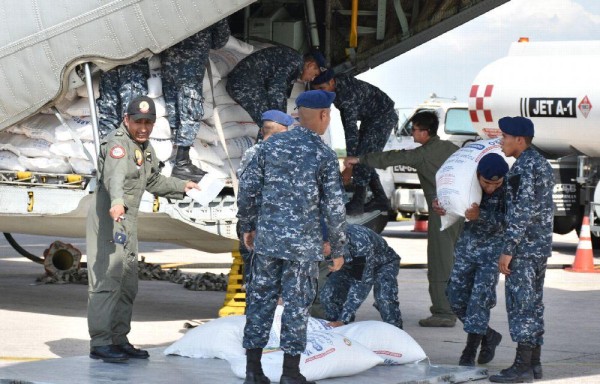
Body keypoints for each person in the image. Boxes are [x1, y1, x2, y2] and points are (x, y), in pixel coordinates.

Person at [237, 90, 347, 384]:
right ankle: (290, 372)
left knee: (260, 302)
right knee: (297, 306)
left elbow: (247, 190)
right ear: (324, 115)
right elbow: (334, 207)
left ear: (299, 115)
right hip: (302, 247)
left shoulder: (268, 148)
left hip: (268, 242)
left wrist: (248, 225)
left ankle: (253, 371)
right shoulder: (322, 154)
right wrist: (337, 247)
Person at [86, 96, 200, 363]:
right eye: (138, 121)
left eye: (148, 122)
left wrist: (182, 186)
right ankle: (101, 342)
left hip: (127, 220)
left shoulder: (144, 148)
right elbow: (115, 178)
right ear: (127, 120)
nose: (143, 127)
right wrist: (116, 203)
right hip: (110, 218)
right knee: (107, 280)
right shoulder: (118, 145)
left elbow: (153, 179)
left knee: (127, 283)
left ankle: (118, 338)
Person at [344, 110, 461, 327]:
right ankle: (458, 305)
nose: (412, 133)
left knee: (440, 260)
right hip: (462, 210)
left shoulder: (424, 153)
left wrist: (360, 159)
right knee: (456, 260)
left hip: (442, 213)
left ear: (425, 132)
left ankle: (443, 312)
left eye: (415, 129)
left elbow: (392, 157)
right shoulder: (452, 149)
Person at [489, 117, 553, 383]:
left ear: (519, 139)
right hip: (538, 248)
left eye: (505, 136)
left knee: (521, 307)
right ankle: (534, 364)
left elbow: (522, 211)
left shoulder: (524, 167)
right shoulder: (541, 163)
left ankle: (522, 367)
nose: (501, 141)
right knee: (534, 306)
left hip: (524, 250)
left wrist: (508, 249)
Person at [436, 153, 508, 366]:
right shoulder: (466, 181)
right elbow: (451, 200)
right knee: (454, 296)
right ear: (478, 176)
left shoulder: (511, 188)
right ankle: (488, 335)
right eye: (487, 183)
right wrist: (441, 205)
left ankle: (470, 349)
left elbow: (511, 221)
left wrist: (482, 215)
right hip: (467, 249)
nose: (491, 188)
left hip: (492, 253)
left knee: (479, 299)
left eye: (496, 183)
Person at [311, 69, 397, 215]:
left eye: (322, 88)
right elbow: (347, 126)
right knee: (362, 155)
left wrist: (349, 166)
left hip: (383, 116)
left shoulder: (346, 94)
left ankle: (358, 202)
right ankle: (381, 199)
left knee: (362, 156)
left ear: (332, 82)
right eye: (317, 90)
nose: (321, 93)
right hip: (370, 118)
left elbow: (351, 131)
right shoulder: (335, 89)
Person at [161, 19, 230, 181]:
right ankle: (182, 163)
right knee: (191, 112)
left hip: (169, 63)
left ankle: (174, 157)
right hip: (190, 68)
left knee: (174, 110)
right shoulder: (207, 7)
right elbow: (221, 39)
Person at [236, 110, 295, 285]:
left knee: (257, 282)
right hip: (287, 227)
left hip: (259, 227)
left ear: (262, 131)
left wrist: (247, 226)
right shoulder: (295, 156)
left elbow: (246, 193)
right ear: (285, 132)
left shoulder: (253, 153)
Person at [226, 46, 326, 137]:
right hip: (244, 82)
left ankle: (264, 153)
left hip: (248, 83)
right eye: (315, 74)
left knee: (273, 125)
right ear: (310, 65)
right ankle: (266, 155)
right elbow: (276, 88)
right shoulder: (295, 61)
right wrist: (280, 118)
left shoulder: (295, 63)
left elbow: (281, 94)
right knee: (272, 124)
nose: (313, 79)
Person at [319, 224, 402, 329]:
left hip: (383, 264)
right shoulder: (319, 242)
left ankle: (396, 332)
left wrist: (344, 319)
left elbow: (361, 285)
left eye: (323, 246)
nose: (321, 250)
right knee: (328, 295)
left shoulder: (360, 243)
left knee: (384, 298)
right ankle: (338, 331)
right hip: (349, 264)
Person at [96, 60, 149, 139]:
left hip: (129, 65)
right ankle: (110, 147)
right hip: (110, 66)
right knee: (109, 114)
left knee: (132, 116)